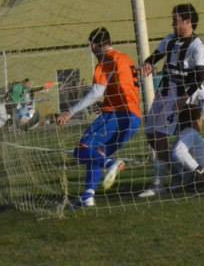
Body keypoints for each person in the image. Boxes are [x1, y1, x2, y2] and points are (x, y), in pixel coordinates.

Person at [58, 28, 143, 208]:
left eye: (90, 45)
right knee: (96, 154)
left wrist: (70, 112)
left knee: (82, 149)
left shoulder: (106, 60)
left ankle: (111, 163)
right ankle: (88, 196)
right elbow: (124, 86)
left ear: (93, 44)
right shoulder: (125, 58)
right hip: (134, 118)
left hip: (117, 114)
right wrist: (107, 102)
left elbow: (97, 91)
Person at [139, 3, 204, 198]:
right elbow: (155, 56)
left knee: (166, 133)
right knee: (151, 132)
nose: (172, 24)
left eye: (176, 20)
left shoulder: (197, 46)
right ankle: (179, 173)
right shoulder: (169, 40)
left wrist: (184, 97)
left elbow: (199, 76)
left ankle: (160, 183)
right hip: (164, 92)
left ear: (188, 21)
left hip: (180, 94)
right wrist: (148, 63)